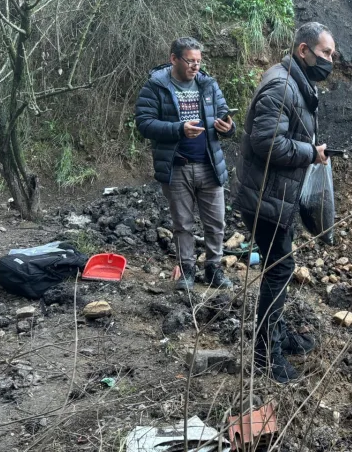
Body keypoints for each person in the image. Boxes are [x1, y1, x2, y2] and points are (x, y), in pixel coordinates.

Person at [234, 22, 334, 383]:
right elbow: (267, 143)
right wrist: (310, 152)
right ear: (303, 50)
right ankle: (266, 355)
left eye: (333, 55)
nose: (330, 61)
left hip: (276, 195)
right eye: (325, 54)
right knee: (279, 269)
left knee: (281, 266)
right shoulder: (281, 86)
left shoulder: (296, 83)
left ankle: (275, 335)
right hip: (265, 198)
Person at [135, 37, 236, 291]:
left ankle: (213, 270)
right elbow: (144, 124)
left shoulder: (208, 85)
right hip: (177, 166)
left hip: (209, 164)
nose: (195, 66)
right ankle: (187, 271)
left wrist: (228, 127)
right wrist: (179, 129)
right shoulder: (156, 86)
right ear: (173, 59)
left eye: (199, 61)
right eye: (190, 61)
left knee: (216, 223)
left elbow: (224, 115)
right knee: (183, 225)